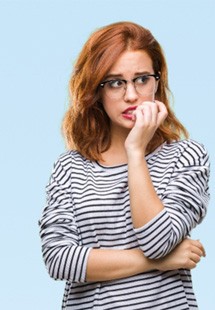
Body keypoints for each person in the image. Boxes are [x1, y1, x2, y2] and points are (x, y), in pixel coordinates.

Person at [39, 21, 210, 309]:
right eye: (116, 82)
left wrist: (135, 151)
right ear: (96, 91)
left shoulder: (187, 156)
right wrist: (156, 263)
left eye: (142, 79)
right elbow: (58, 260)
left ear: (157, 81)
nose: (131, 95)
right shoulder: (70, 168)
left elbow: (158, 240)